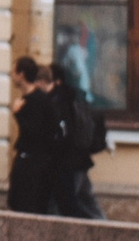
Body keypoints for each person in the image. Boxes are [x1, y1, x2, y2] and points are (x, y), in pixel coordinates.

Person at [46, 64, 106, 221]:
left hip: (69, 162)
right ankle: (106, 229)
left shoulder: (61, 100)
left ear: (57, 81)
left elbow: (65, 133)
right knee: (87, 201)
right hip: (81, 158)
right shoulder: (78, 97)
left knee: (65, 204)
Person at [6, 57, 60, 215]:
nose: (11, 75)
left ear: (21, 75)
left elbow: (35, 133)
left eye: (14, 71)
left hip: (35, 165)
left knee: (29, 208)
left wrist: (18, 114)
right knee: (16, 203)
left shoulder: (38, 101)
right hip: (28, 161)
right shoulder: (29, 99)